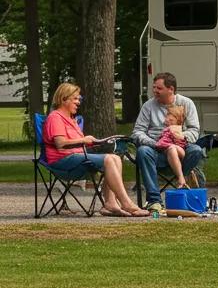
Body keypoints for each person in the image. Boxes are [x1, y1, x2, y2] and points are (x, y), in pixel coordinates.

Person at [42, 82, 149, 217]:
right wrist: (83, 140)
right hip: (62, 160)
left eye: (79, 99)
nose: (78, 102)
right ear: (64, 99)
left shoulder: (71, 119)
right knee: (109, 159)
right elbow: (60, 143)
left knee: (115, 157)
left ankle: (110, 203)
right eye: (75, 99)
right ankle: (126, 203)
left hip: (77, 157)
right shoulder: (55, 118)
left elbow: (78, 144)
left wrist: (94, 142)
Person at [132, 72, 204, 211]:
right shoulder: (148, 106)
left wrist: (179, 137)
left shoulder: (186, 103)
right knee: (143, 151)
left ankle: (180, 182)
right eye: (154, 88)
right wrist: (154, 143)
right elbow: (137, 132)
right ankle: (154, 200)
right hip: (156, 151)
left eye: (159, 88)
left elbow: (194, 130)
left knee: (196, 151)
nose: (154, 91)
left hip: (179, 150)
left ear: (170, 89)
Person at [155, 104, 189, 188]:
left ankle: (180, 177)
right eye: (167, 118)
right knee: (172, 148)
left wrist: (158, 144)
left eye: (171, 120)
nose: (167, 120)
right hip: (177, 150)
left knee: (171, 148)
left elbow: (162, 143)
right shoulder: (171, 129)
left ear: (178, 121)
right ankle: (181, 177)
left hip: (179, 150)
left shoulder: (172, 130)